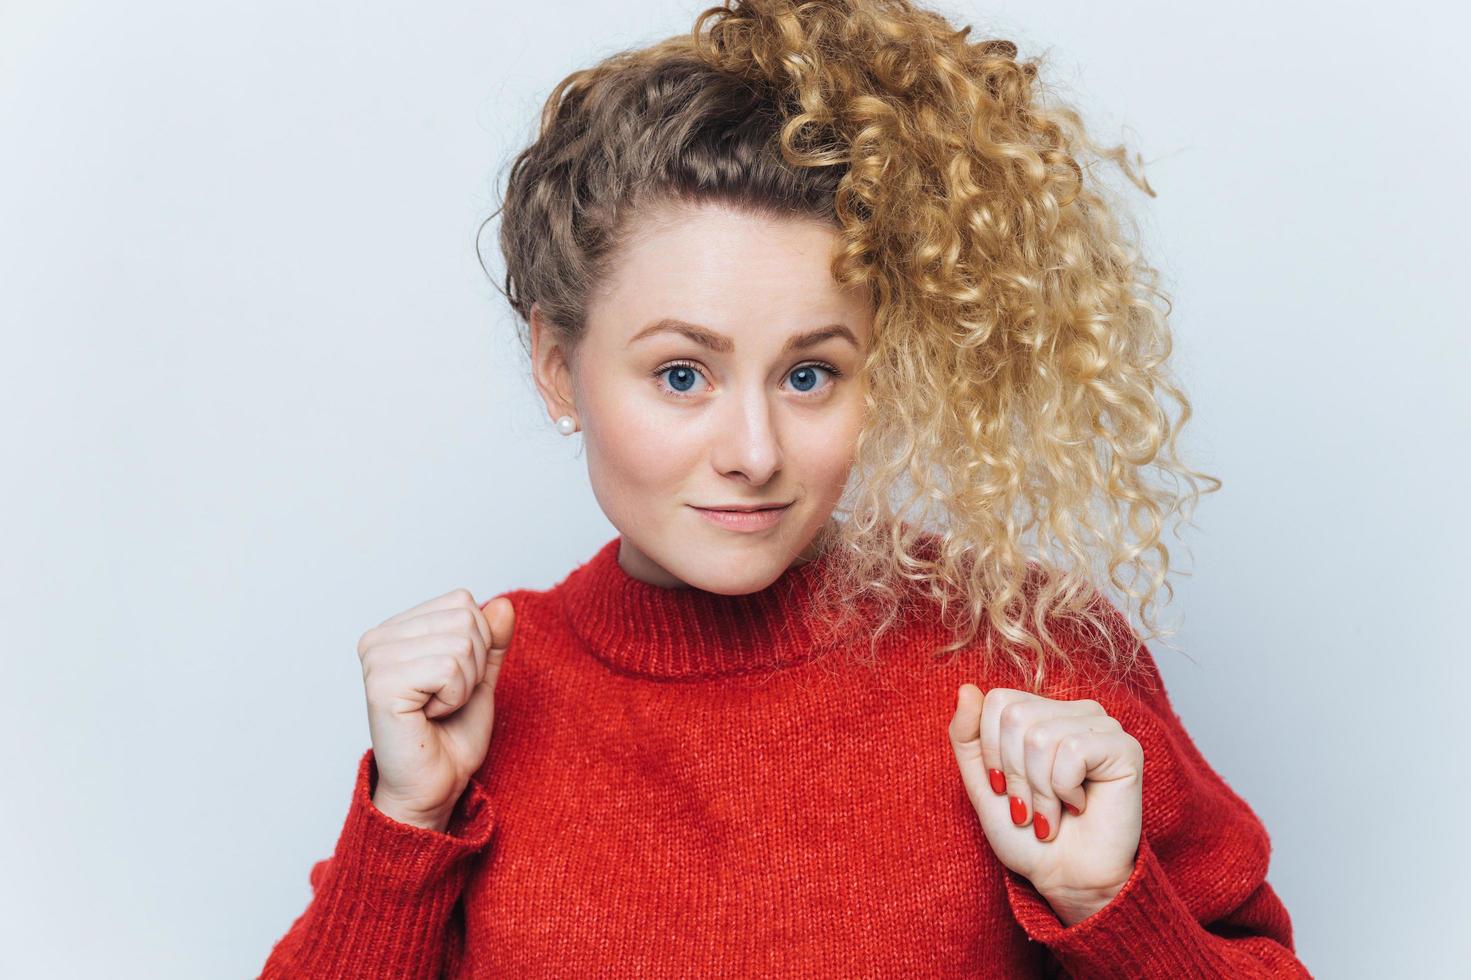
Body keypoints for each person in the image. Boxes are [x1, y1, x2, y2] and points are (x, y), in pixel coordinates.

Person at [260, 0, 1312, 976]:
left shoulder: (1028, 654)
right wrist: (407, 819)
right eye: (683, 375)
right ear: (554, 365)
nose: (754, 450)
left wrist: (1105, 906)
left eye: (810, 374)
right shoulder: (477, 712)